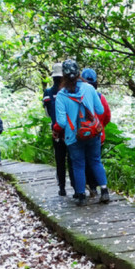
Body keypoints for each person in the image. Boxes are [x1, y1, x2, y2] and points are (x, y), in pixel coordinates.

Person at [54, 60, 110, 206]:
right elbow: (100, 110)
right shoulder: (89, 89)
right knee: (95, 161)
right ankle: (104, 191)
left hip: (73, 136)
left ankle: (81, 196)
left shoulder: (61, 96)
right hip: (93, 133)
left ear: (63, 76)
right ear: (79, 72)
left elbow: (61, 123)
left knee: (78, 165)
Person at [43, 62, 74, 197]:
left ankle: (62, 188)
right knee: (72, 159)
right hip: (71, 131)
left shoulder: (48, 93)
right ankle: (76, 188)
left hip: (56, 132)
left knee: (60, 160)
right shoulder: (69, 91)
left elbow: (47, 114)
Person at [80, 68, 112, 197]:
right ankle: (102, 189)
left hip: (82, 134)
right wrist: (100, 127)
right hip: (98, 135)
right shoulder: (100, 97)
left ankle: (91, 187)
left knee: (85, 162)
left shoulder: (78, 95)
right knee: (96, 161)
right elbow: (107, 116)